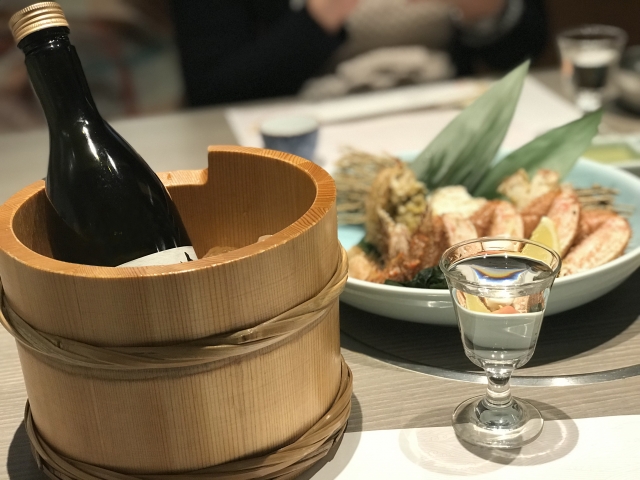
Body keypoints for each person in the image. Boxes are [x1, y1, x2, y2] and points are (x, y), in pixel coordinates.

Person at [170, 0, 548, 106]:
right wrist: (324, 15)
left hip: (448, 104)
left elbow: (529, 47)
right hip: (303, 123)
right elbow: (212, 88)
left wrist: (485, 10)